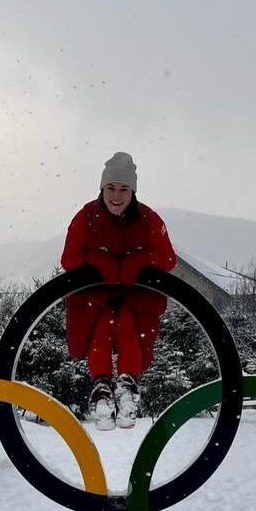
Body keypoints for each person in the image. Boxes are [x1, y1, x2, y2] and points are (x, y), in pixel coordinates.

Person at [60, 152, 176, 430]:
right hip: (94, 297)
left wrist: (138, 261)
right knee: (102, 326)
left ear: (132, 191)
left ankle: (126, 388)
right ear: (102, 189)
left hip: (135, 298)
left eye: (123, 189)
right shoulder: (86, 216)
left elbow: (168, 258)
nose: (116, 195)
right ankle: (101, 389)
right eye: (111, 188)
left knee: (125, 324)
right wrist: (97, 259)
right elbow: (68, 259)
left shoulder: (148, 218)